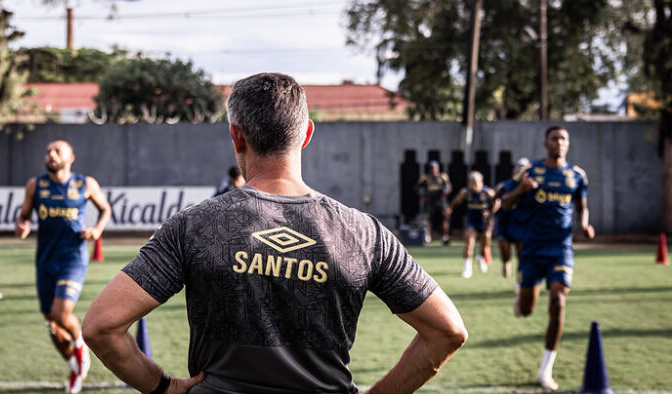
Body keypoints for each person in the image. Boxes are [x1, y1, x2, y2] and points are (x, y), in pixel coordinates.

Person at [83, 72, 467, 394]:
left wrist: (163, 388)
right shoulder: (363, 233)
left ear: (236, 136)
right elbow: (447, 331)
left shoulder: (194, 225)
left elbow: (102, 326)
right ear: (306, 135)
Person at [14, 140, 112, 394]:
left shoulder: (85, 184)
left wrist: (97, 229)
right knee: (52, 323)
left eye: (57, 151)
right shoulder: (35, 186)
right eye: (48, 151)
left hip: (73, 257)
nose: (51, 155)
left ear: (71, 157)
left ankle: (80, 346)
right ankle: (75, 367)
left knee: (61, 313)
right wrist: (22, 225)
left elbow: (105, 209)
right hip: (45, 259)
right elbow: (23, 216)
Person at [501, 126, 594, 390]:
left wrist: (585, 225)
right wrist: (521, 189)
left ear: (568, 143)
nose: (560, 142)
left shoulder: (576, 176)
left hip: (561, 247)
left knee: (558, 301)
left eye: (564, 138)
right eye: (555, 138)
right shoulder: (531, 172)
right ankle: (521, 297)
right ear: (546, 143)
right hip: (531, 248)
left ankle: (545, 370)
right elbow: (505, 203)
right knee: (527, 310)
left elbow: (582, 207)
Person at [445, 171, 499, 278]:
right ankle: (467, 268)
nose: (474, 186)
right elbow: (457, 200)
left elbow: (497, 203)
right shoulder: (466, 192)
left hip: (484, 222)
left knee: (485, 242)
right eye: (471, 183)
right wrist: (450, 207)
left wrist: (489, 212)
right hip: (472, 221)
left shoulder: (488, 192)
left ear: (481, 182)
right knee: (469, 243)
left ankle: (481, 257)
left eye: (476, 183)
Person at [494, 157, 531, 278]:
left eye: (523, 168)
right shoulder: (505, 185)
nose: (520, 170)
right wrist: (490, 211)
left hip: (520, 221)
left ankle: (520, 275)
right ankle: (506, 263)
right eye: (518, 167)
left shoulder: (530, 186)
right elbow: (496, 200)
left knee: (521, 251)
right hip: (504, 221)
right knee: (505, 249)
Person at [417, 160, 452, 245]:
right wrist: (423, 197)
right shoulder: (425, 178)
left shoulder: (443, 176)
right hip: (430, 202)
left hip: (441, 201)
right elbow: (417, 187)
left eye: (435, 168)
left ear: (438, 168)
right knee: (429, 220)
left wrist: (445, 193)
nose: (433, 170)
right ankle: (428, 237)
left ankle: (445, 237)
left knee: (444, 219)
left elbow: (449, 186)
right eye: (432, 168)